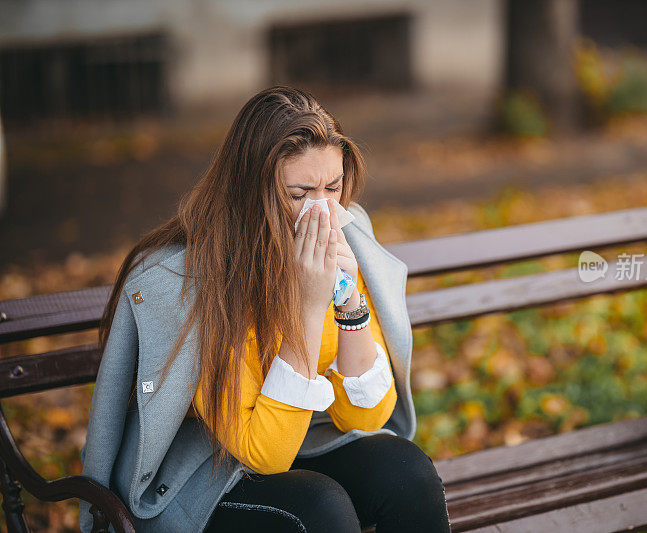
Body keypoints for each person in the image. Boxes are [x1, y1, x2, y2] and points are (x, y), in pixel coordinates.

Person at [79, 86, 451, 532]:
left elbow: (366, 418)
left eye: (333, 188)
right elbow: (264, 454)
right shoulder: (195, 283)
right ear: (251, 193)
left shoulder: (346, 234)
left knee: (407, 473)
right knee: (320, 508)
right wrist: (309, 308)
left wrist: (348, 297)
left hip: (306, 440)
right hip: (205, 470)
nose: (323, 211)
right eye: (299, 194)